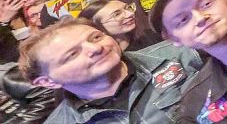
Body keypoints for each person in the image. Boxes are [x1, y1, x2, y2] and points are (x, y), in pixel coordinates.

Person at [19, 18, 202, 124]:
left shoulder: (181, 54)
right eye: (73, 54)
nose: (95, 48)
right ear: (47, 81)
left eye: (96, 37)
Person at [78, 0, 159, 51]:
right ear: (96, 27)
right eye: (117, 14)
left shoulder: (152, 36)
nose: (129, 14)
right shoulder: (104, 61)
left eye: (127, 8)